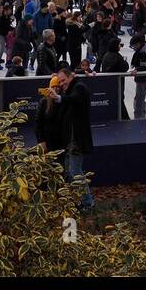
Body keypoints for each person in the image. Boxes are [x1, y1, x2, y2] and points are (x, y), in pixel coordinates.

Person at [49, 64, 94, 210]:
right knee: (70, 170)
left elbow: (74, 98)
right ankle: (80, 201)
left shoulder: (79, 88)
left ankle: (87, 202)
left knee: (75, 171)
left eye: (63, 80)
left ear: (71, 77)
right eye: (60, 82)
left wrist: (59, 98)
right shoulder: (72, 87)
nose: (61, 84)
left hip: (78, 140)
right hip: (71, 140)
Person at [130, 35, 146, 119]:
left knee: (140, 97)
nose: (133, 48)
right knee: (140, 97)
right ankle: (139, 114)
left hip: (144, 78)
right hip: (142, 78)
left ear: (139, 44)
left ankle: (139, 116)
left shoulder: (144, 52)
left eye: (134, 46)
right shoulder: (140, 50)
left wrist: (137, 70)